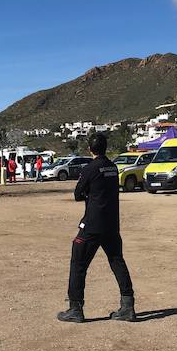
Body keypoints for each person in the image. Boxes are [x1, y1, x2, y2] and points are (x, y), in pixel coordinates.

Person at [57, 133, 136, 323]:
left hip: (92, 224)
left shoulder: (90, 168)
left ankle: (75, 308)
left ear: (90, 149)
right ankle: (128, 306)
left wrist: (88, 194)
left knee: (78, 263)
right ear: (105, 147)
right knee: (117, 261)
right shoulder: (113, 167)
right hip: (111, 224)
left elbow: (77, 194)